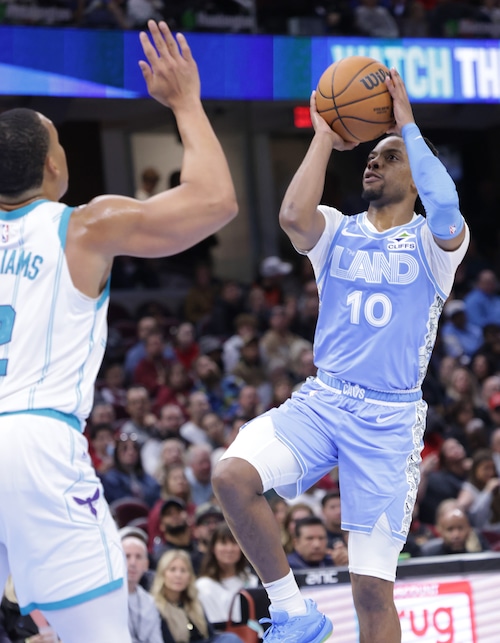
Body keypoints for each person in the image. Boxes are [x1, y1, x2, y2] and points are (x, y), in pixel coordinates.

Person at [0, 20, 237, 643]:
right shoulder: (83, 225)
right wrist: (185, 100)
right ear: (54, 163)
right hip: (35, 441)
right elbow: (214, 201)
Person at [212, 68, 469, 643]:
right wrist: (325, 134)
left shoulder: (436, 243)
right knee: (231, 477)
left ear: (416, 170)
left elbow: (447, 202)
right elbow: (291, 217)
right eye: (370, 155)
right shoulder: (336, 229)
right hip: (324, 399)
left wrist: (405, 124)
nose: (373, 162)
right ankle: (293, 611)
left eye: (389, 156)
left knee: (371, 590)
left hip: (388, 418)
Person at [151, 549, 242, 643]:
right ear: (162, 574)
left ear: (189, 576)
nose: (178, 575)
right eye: (172, 570)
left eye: (183, 570)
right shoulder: (156, 607)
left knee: (230, 638)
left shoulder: (194, 603)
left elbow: (210, 635)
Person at [196, 523, 259, 629]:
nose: (229, 549)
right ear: (213, 548)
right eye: (223, 543)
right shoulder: (202, 586)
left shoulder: (253, 581)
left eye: (234, 543)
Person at [121, 533, 164, 643]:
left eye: (138, 557)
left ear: (146, 565)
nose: (132, 563)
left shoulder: (150, 602)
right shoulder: (105, 599)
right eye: (127, 556)